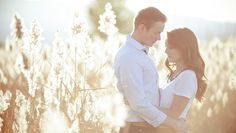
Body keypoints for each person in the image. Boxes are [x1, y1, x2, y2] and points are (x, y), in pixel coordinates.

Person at [114, 7, 187, 133]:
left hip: (143, 128)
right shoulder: (130, 56)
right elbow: (138, 103)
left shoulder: (140, 54)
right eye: (156, 32)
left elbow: (146, 95)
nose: (159, 38)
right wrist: (173, 123)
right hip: (136, 129)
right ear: (142, 28)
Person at [159, 28, 207, 128]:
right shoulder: (173, 74)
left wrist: (142, 106)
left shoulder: (187, 76)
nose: (166, 51)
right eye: (166, 47)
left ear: (184, 48)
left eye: (170, 48)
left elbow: (174, 113)